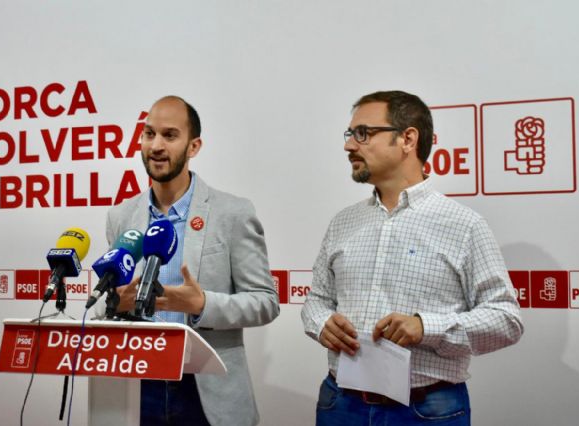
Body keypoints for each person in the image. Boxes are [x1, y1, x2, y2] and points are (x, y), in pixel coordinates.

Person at [301, 90, 523, 425]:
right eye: (350, 134)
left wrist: (425, 327)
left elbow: (506, 319)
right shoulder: (343, 222)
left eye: (363, 133)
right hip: (341, 404)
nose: (349, 146)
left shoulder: (463, 225)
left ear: (407, 139)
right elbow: (316, 300)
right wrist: (321, 324)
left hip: (427, 410)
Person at [106, 95, 280, 425]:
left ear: (194, 146)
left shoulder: (232, 213)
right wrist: (116, 305)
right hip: (139, 384)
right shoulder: (121, 216)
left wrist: (202, 304)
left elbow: (265, 302)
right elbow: (113, 301)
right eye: (149, 134)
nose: (156, 146)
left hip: (206, 392)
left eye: (170, 135)